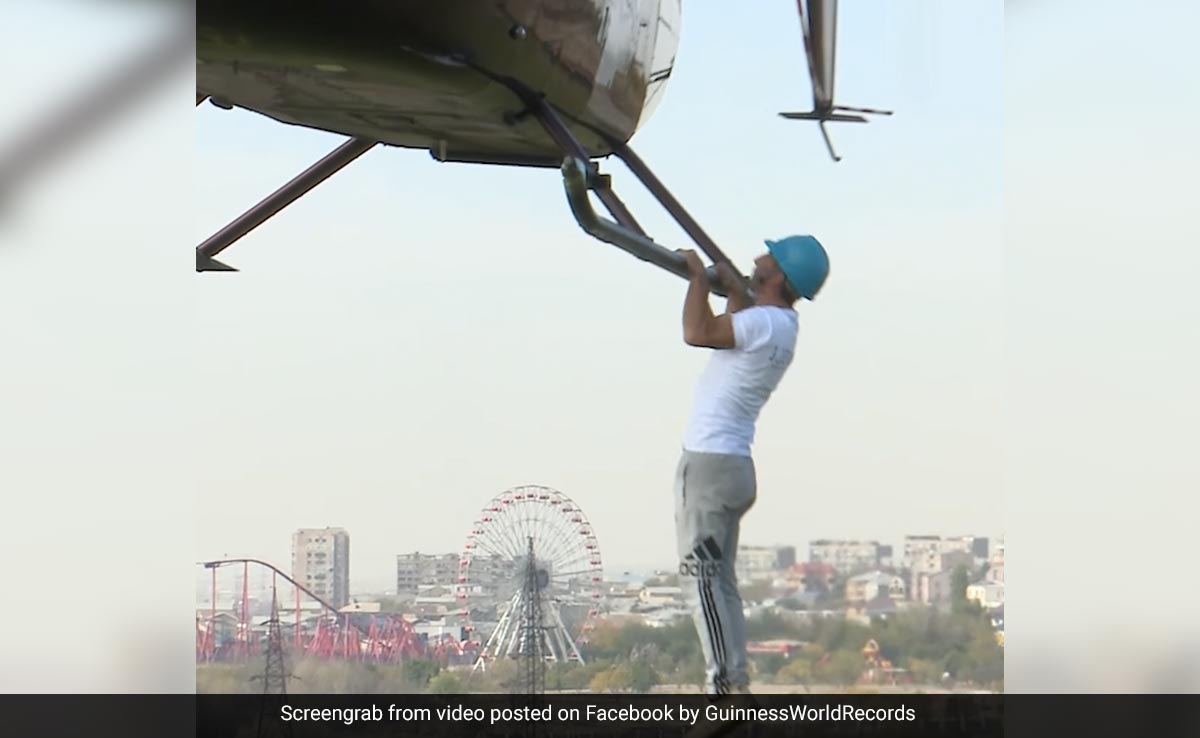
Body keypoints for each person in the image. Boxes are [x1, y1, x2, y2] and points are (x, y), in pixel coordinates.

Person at [673, 235, 830, 696]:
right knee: (720, 583)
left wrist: (698, 278)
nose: (758, 257)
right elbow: (738, 327)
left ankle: (725, 690)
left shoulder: (764, 322)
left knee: (701, 582)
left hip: (708, 466)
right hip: (732, 467)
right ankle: (733, 680)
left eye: (769, 256)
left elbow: (697, 332)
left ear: (777, 275)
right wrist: (733, 290)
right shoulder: (781, 326)